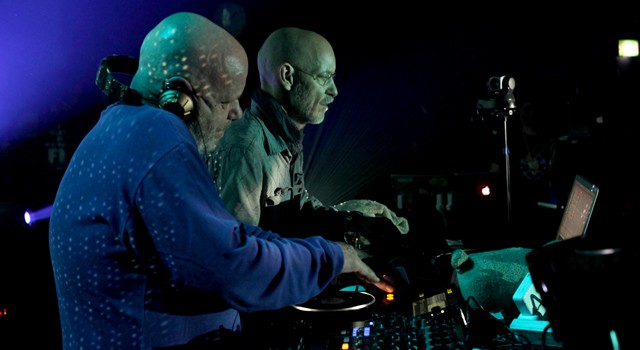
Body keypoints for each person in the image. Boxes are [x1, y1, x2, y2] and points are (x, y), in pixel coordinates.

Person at [48, 12, 380, 350]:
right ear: (179, 98)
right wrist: (328, 259)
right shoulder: (158, 138)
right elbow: (231, 267)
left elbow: (229, 235)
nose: (237, 112)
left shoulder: (122, 129)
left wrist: (326, 254)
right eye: (225, 99)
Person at [210, 27, 403, 256]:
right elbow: (240, 255)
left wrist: (351, 220)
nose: (334, 91)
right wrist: (329, 262)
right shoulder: (245, 148)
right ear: (288, 77)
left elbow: (296, 212)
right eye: (323, 78)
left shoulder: (285, 136)